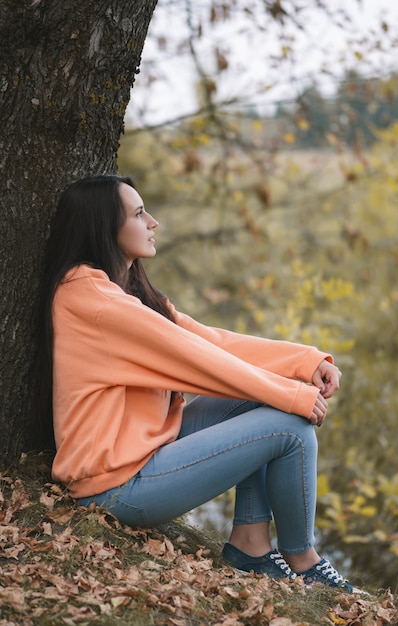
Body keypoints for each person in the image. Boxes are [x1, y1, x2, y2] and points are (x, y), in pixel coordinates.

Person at [37, 173, 360, 593]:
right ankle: (304, 561)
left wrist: (304, 361)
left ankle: (251, 545)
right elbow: (199, 361)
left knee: (268, 405)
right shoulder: (96, 303)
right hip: (114, 486)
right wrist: (292, 395)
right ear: (104, 227)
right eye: (138, 214)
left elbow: (208, 340)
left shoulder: (124, 291)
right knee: (291, 428)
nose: (153, 222)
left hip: (145, 447)